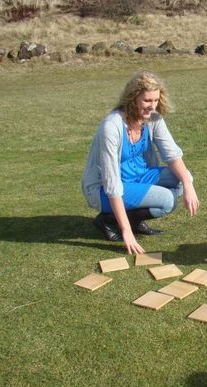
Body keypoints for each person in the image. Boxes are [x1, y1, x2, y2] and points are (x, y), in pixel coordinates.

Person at [82, 71, 199, 254]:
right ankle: (110, 221)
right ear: (133, 98)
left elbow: (171, 154)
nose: (152, 107)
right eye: (147, 101)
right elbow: (112, 183)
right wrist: (126, 231)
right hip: (104, 189)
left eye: (155, 101)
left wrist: (188, 184)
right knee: (167, 201)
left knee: (184, 177)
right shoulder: (111, 127)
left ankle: (133, 219)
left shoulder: (153, 118)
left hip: (140, 177)